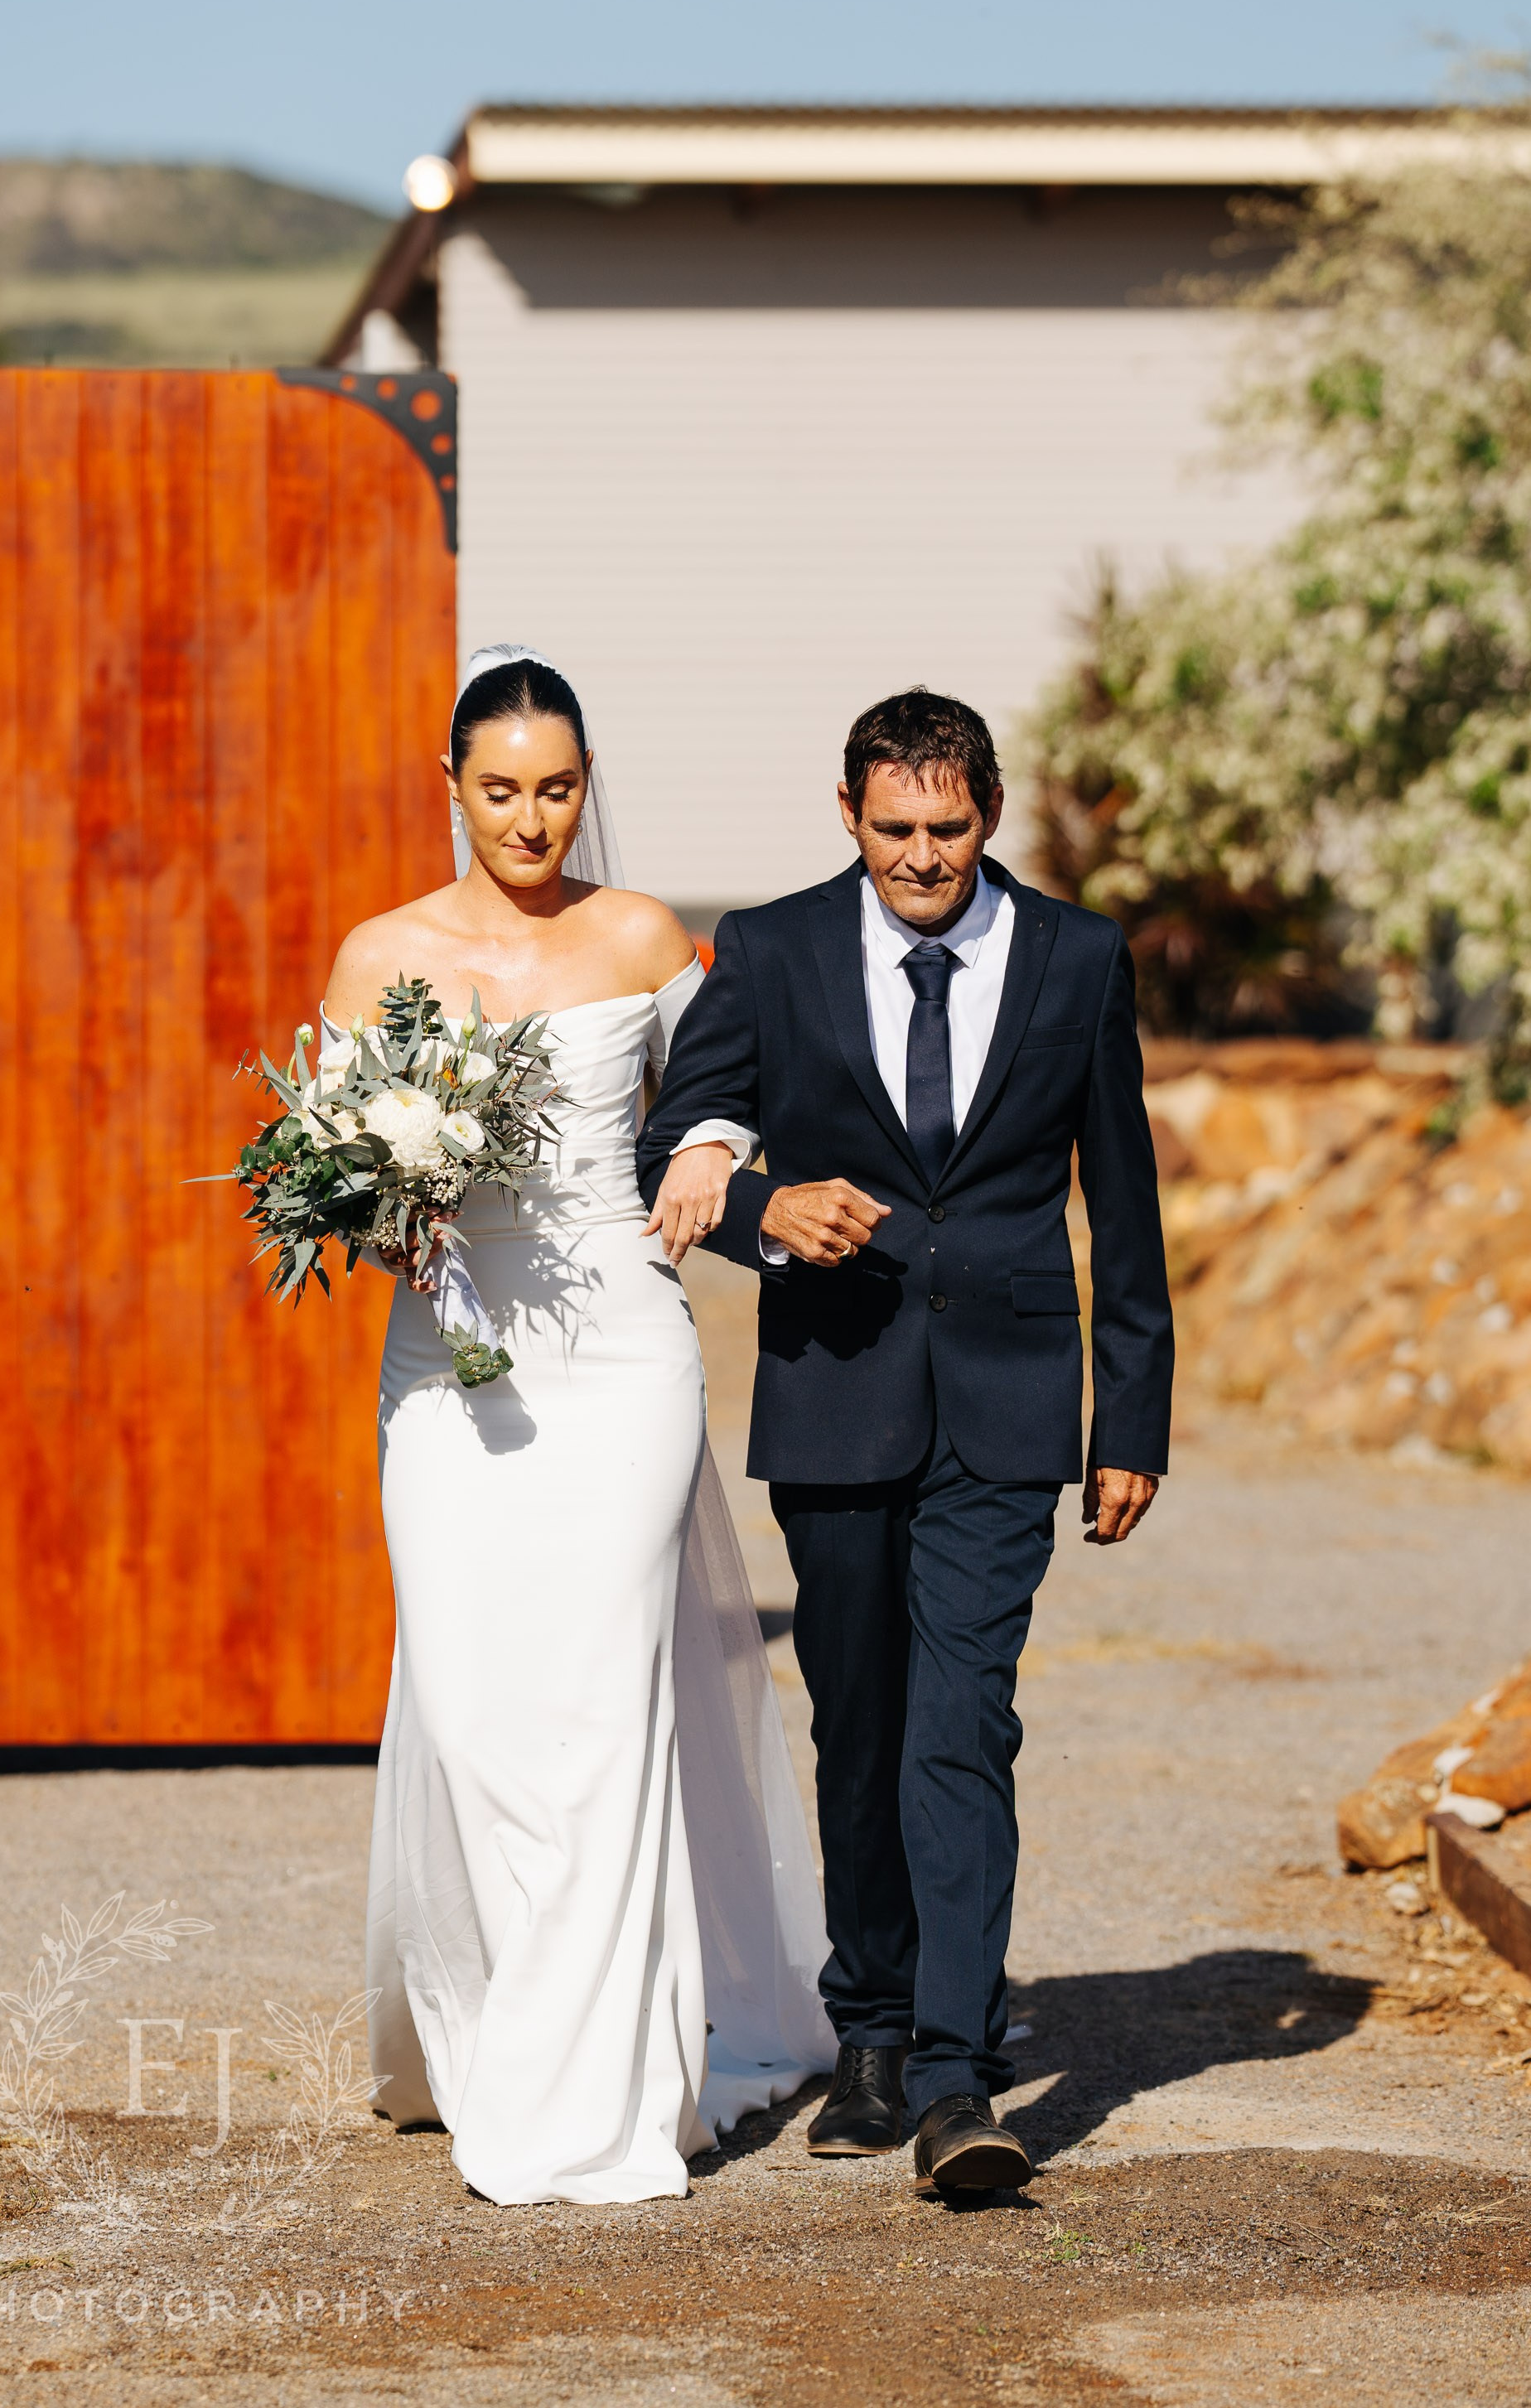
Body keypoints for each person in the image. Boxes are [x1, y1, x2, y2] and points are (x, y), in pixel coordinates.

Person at [637, 687, 1173, 2199]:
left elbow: (1122, 1203)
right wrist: (765, 1213)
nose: (922, 857)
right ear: (850, 814)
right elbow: (681, 1129)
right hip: (836, 1387)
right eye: (894, 831)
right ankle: (866, 2028)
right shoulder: (773, 946)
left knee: (963, 1725)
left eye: (948, 829)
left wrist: (1129, 1418)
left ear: (988, 816)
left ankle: (954, 2074)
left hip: (1008, 1409)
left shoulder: (1077, 956)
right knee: (858, 1724)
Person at [321, 644, 833, 2208]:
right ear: (451, 787)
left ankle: (592, 2091)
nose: (529, 820)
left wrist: (724, 1146)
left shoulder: (642, 937)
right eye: (500, 791)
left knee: (608, 1710)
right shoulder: (378, 953)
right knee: (478, 1713)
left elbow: (742, 1085)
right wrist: (374, 1203)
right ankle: (487, 2037)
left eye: (555, 790)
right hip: (452, 1368)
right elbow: (327, 1169)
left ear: (583, 789)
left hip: (620, 1357)